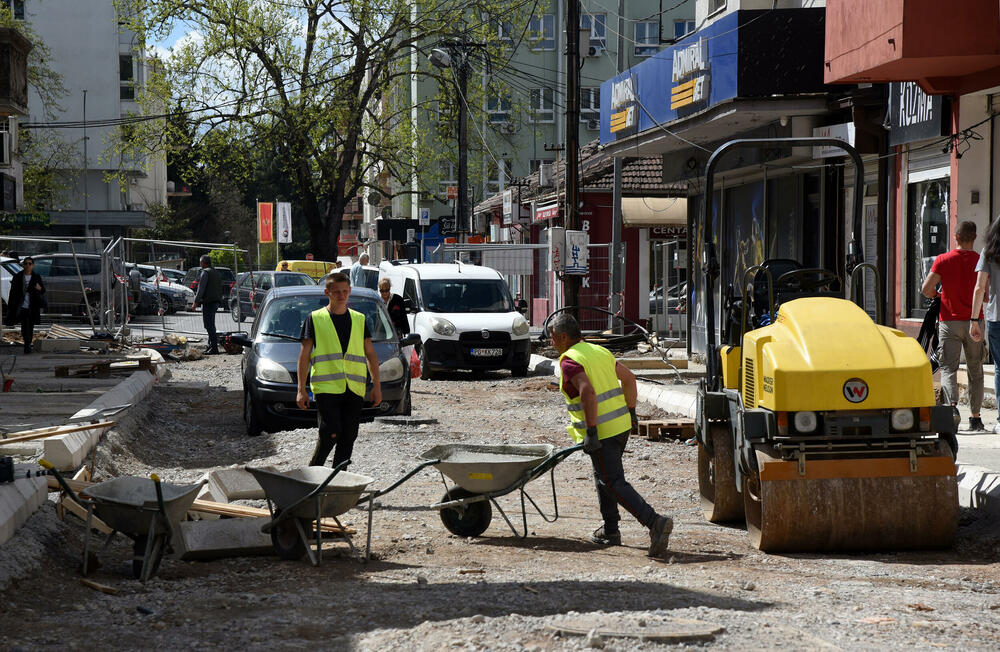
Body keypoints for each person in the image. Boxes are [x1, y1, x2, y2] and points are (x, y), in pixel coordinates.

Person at [548, 313, 673, 557]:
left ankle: (655, 522)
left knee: (613, 482)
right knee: (603, 477)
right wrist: (632, 411)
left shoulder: (570, 361)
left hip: (602, 431)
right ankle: (611, 530)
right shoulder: (598, 351)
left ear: (564, 337)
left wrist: (592, 430)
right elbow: (629, 378)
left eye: (553, 338)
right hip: (620, 426)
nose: (551, 342)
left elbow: (587, 392)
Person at [297, 272, 382, 468]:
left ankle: (339, 478)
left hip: (354, 387)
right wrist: (301, 390)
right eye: (336, 292)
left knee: (349, 435)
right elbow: (304, 356)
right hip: (326, 387)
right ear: (327, 292)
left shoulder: (359, 319)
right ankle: (313, 473)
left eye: (345, 291)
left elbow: (370, 354)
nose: (341, 295)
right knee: (330, 432)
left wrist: (376, 386)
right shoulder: (315, 319)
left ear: (350, 291)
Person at [922, 220, 986, 431]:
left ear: (955, 237)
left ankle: (952, 409)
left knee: (949, 367)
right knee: (975, 368)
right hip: (974, 321)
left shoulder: (943, 260)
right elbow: (985, 295)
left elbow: (926, 289)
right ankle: (975, 417)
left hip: (948, 321)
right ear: (974, 238)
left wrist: (940, 295)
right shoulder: (980, 260)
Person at [970, 218, 1000, 433]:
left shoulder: (989, 252)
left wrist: (974, 320)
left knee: (999, 368)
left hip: (996, 317)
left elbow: (980, 287)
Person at [6, 257, 45, 354]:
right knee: (24, 326)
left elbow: (43, 290)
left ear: (33, 265)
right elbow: (13, 293)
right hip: (22, 306)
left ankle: (28, 344)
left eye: (30, 264)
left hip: (32, 306)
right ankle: (27, 345)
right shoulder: (18, 277)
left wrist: (39, 288)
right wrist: (11, 306)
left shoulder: (36, 277)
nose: (27, 265)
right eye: (26, 264)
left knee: (30, 326)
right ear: (23, 265)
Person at [192, 254, 223, 355]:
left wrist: (195, 302)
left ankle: (214, 348)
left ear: (203, 263)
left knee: (209, 326)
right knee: (211, 325)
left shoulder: (205, 273)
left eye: (201, 262)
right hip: (215, 302)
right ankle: (211, 346)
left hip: (208, 302)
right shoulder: (215, 272)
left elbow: (201, 289)